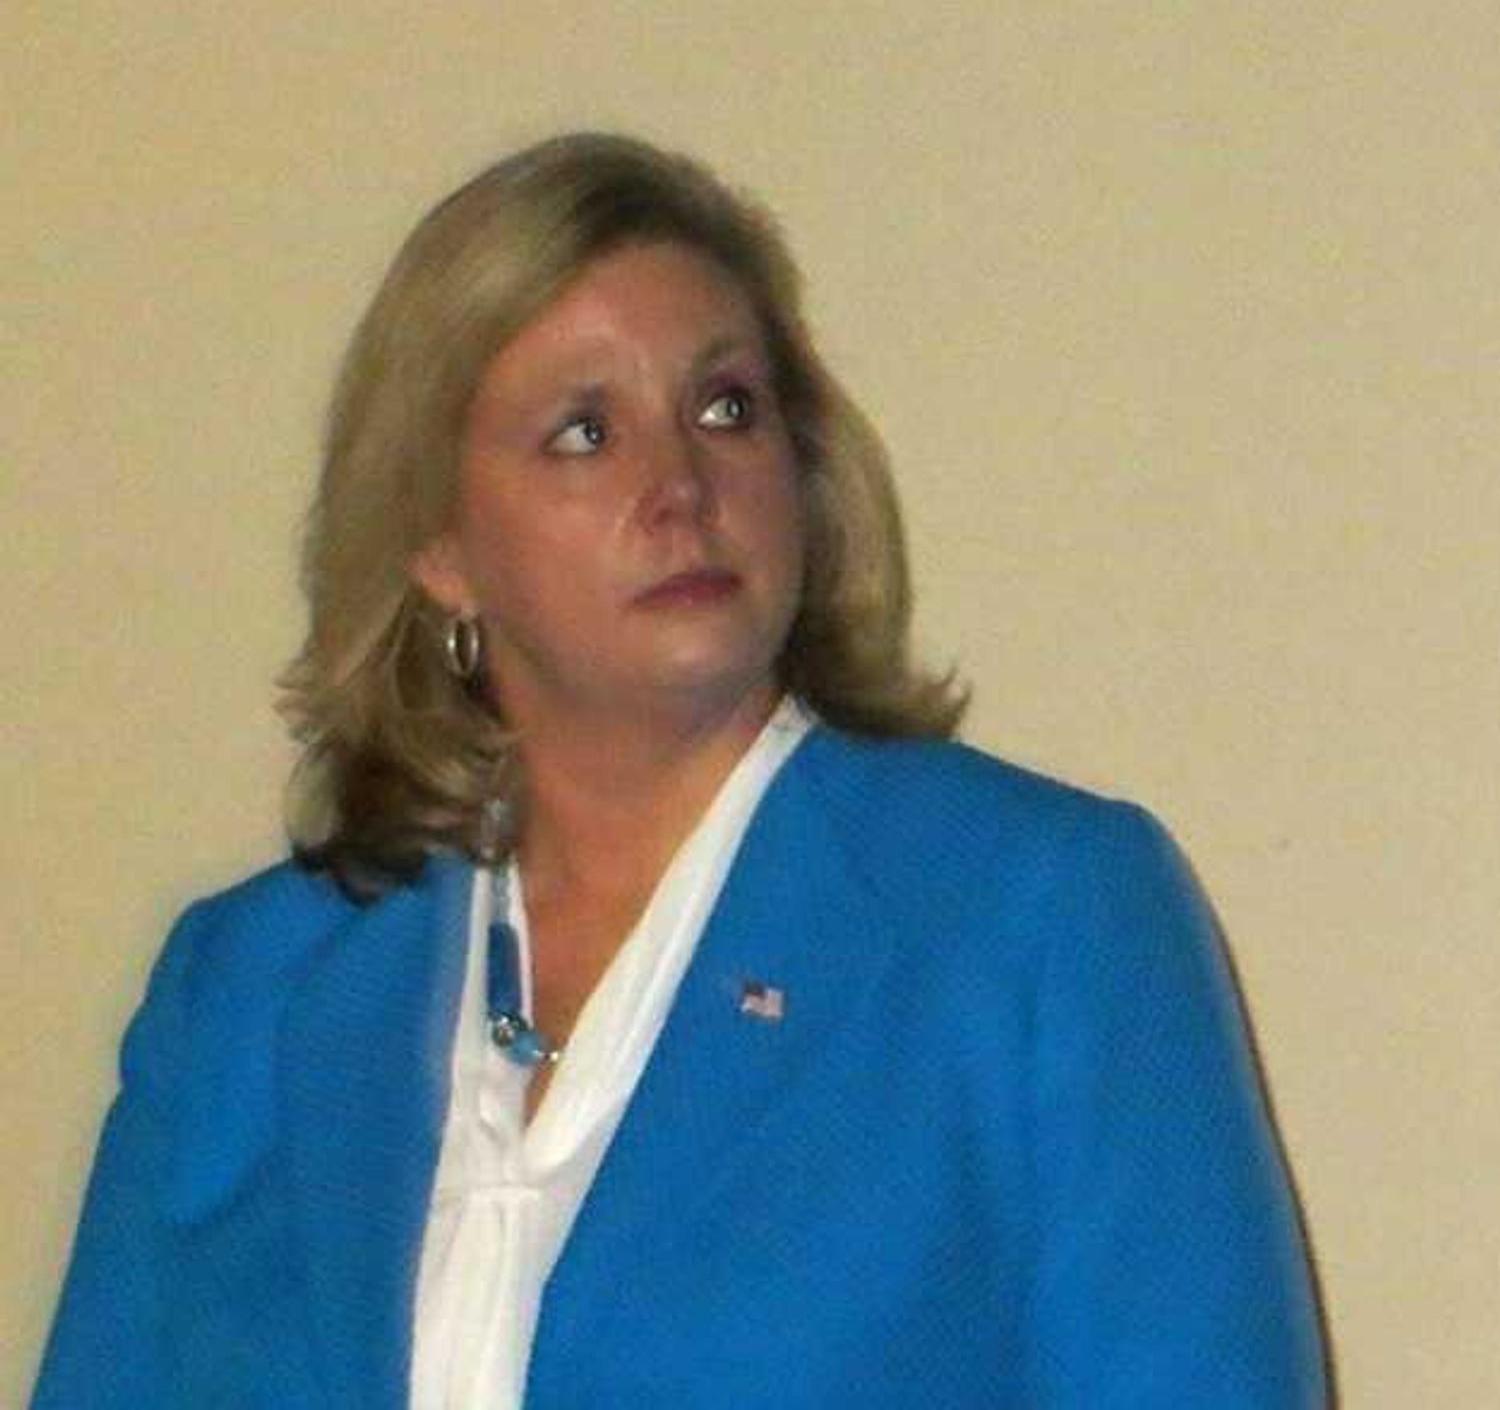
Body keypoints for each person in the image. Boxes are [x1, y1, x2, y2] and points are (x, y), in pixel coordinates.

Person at [29, 134, 1330, 1409]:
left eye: (725, 408)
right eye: (584, 432)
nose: (682, 485)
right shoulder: (250, 992)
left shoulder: (1036, 920)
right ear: (439, 546)